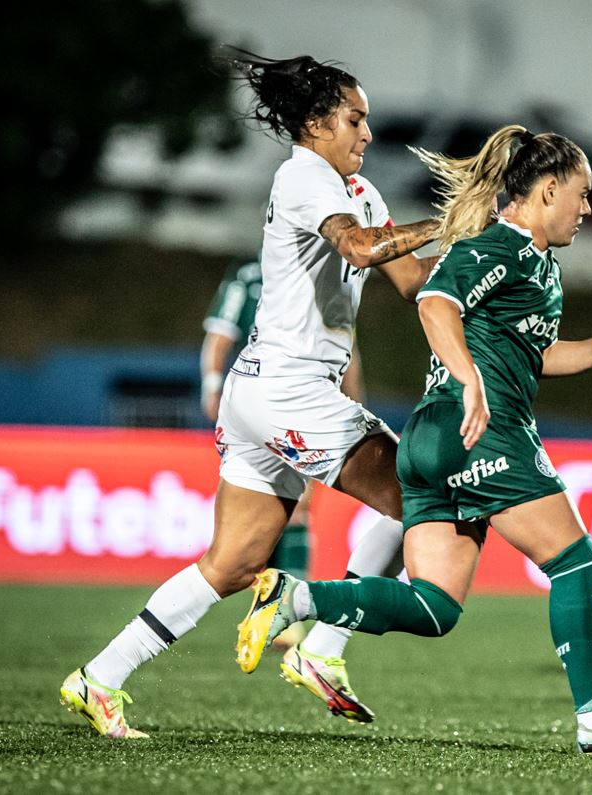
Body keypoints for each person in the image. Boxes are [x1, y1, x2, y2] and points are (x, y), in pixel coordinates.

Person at [234, 125, 592, 754]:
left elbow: (536, 355)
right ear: (547, 190)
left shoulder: (538, 262)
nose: (588, 209)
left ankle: (297, 597)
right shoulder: (498, 244)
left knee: (436, 607)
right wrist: (471, 382)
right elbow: (434, 302)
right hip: (482, 430)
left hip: (434, 442)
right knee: (575, 562)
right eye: (582, 195)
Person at [59, 51, 438, 738]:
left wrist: (490, 252)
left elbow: (412, 281)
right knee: (424, 494)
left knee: (232, 564)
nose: (368, 134)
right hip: (289, 390)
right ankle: (323, 646)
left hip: (263, 393)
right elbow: (357, 249)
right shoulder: (302, 176)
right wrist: (453, 220)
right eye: (356, 119)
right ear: (317, 122)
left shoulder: (363, 192)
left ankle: (99, 677)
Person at [201, 259, 370, 650]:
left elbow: (347, 351)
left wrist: (356, 407)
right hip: (259, 400)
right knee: (253, 522)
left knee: (298, 504)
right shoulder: (249, 277)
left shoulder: (325, 279)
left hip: (305, 403)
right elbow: (220, 336)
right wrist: (211, 385)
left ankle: (282, 608)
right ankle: (273, 601)